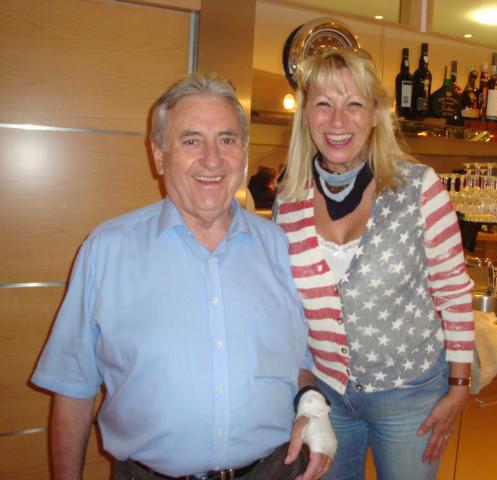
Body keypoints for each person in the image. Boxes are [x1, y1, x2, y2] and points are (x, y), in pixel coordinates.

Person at [31, 72, 336, 480]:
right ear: (158, 155)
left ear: (243, 152)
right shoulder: (106, 251)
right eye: (191, 141)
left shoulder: (280, 248)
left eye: (227, 140)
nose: (212, 159)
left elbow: (300, 361)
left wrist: (311, 404)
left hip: (275, 470)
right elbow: (73, 388)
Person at [273, 49, 474, 480]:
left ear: (376, 114)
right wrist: (306, 395)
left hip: (409, 395)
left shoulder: (419, 188)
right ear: (305, 115)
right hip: (327, 395)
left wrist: (460, 386)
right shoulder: (288, 202)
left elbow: (454, 292)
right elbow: (287, 313)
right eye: (323, 104)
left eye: (354, 104)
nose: (337, 120)